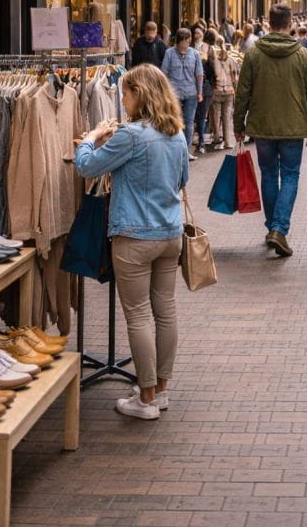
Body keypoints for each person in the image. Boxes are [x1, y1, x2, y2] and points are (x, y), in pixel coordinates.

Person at [74, 64, 188, 420]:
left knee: (137, 315)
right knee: (165, 311)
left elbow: (86, 167)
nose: (122, 100)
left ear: (140, 94)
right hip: (170, 233)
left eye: (125, 93)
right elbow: (182, 179)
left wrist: (91, 138)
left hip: (134, 235)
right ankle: (161, 390)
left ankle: (146, 399)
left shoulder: (131, 135)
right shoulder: (177, 134)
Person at [234, 4, 307, 257]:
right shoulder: (303, 55)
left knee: (269, 175)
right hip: (293, 125)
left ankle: (273, 227)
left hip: (262, 125)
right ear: (290, 23)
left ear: (269, 23)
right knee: (290, 175)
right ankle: (279, 229)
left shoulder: (253, 53)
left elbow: (242, 92)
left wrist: (238, 124)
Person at [161, 28, 203, 161]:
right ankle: (174, 151)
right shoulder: (169, 53)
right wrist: (164, 92)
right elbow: (164, 73)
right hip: (174, 93)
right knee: (174, 121)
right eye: (183, 42)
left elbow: (199, 74)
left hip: (191, 92)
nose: (185, 44)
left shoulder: (195, 54)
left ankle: (186, 151)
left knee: (189, 123)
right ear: (178, 41)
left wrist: (200, 92)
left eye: (187, 41)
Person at [194, 30, 218, 154]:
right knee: (201, 115)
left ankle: (201, 141)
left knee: (200, 114)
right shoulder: (210, 49)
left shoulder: (196, 49)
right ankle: (201, 141)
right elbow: (215, 67)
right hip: (204, 84)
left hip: (202, 84)